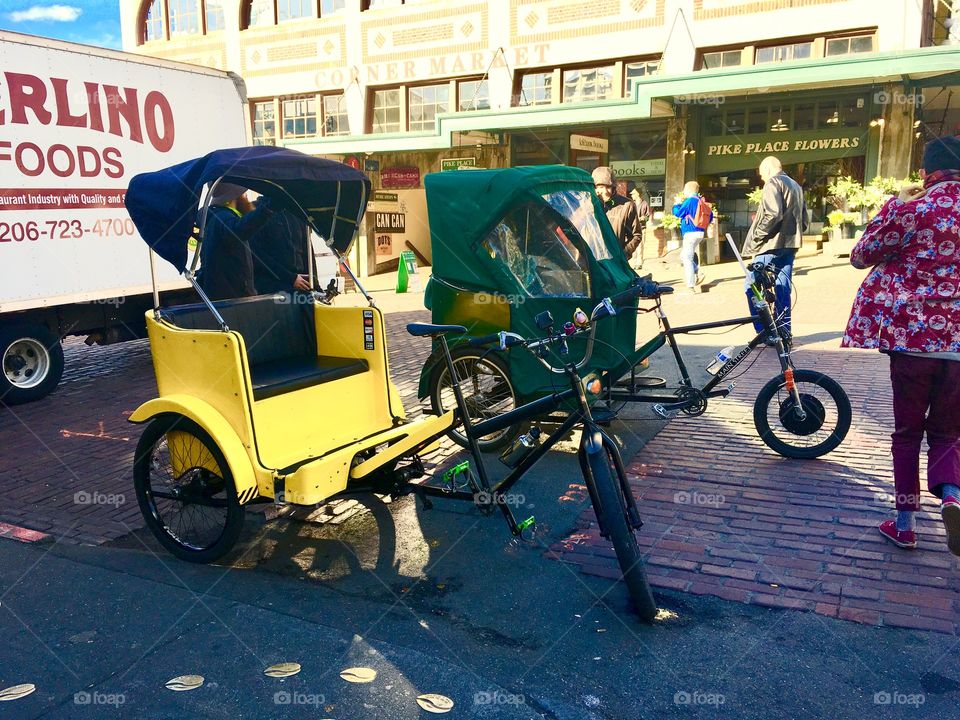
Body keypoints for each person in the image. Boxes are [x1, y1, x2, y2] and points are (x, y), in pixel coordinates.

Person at [841, 135, 960, 555]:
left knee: (907, 433)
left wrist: (895, 202)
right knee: (949, 433)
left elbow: (861, 254)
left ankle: (906, 523)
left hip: (913, 341)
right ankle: (951, 497)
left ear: (927, 172)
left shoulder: (914, 209)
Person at [742, 156, 806, 340]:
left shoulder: (773, 183)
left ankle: (764, 331)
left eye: (762, 174)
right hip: (791, 244)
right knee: (782, 287)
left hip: (771, 245)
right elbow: (804, 219)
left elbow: (773, 214)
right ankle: (784, 331)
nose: (762, 178)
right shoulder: (796, 186)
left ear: (768, 169)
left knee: (751, 285)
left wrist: (756, 236)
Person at [197, 183, 265, 300]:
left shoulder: (216, 218)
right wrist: (267, 210)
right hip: (232, 300)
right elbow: (239, 230)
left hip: (225, 298)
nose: (246, 197)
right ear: (234, 197)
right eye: (243, 194)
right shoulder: (224, 218)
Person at [249, 193, 314, 295]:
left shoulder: (297, 211)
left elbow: (307, 250)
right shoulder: (254, 210)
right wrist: (291, 278)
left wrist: (314, 282)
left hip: (301, 283)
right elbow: (257, 256)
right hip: (272, 285)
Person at [592, 166, 643, 262]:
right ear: (594, 188)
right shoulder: (587, 205)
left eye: (609, 187)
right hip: (593, 263)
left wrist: (623, 255)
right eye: (601, 187)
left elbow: (636, 235)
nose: (606, 192)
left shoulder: (626, 205)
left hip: (616, 264)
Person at [672, 181, 713, 293]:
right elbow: (710, 216)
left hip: (690, 233)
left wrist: (676, 204)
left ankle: (691, 285)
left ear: (688, 190)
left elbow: (678, 213)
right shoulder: (701, 201)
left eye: (684, 189)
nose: (683, 192)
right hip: (700, 232)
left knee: (687, 259)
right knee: (685, 255)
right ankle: (697, 272)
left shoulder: (690, 201)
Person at [626, 181, 650, 269]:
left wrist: (643, 218)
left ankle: (639, 263)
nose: (632, 196)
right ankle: (634, 262)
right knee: (633, 246)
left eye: (633, 194)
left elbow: (648, 216)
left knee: (640, 246)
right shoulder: (631, 204)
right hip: (632, 229)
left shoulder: (644, 204)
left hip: (641, 227)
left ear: (638, 194)